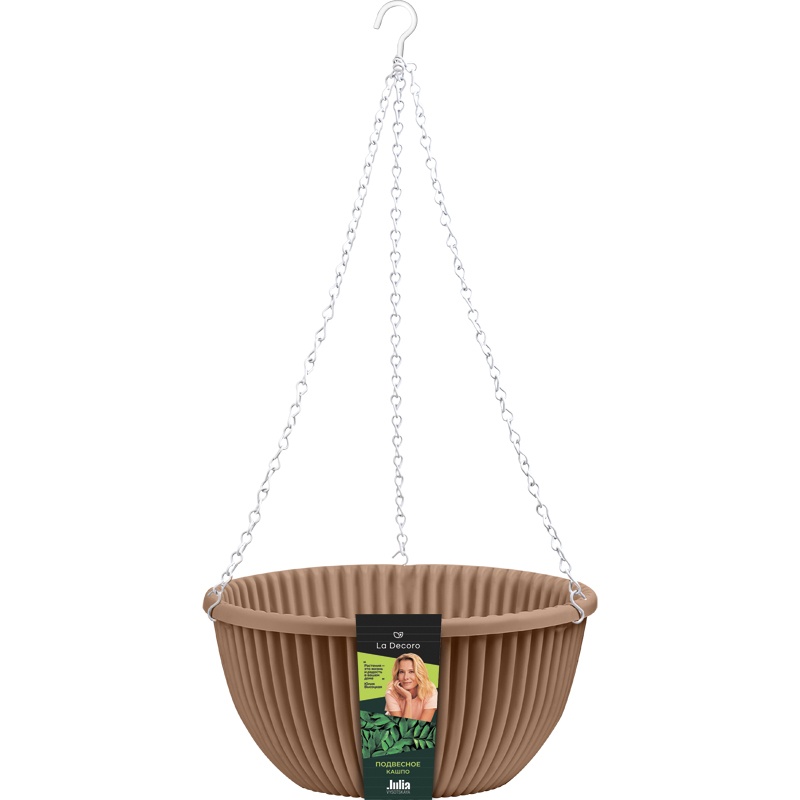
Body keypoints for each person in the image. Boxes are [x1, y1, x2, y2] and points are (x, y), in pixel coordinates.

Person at [384, 652, 437, 722]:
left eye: (411, 671)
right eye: (402, 672)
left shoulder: (430, 691)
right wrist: (408, 698)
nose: (406, 677)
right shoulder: (391, 693)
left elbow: (422, 726)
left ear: (420, 673)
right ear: (397, 674)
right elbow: (403, 726)